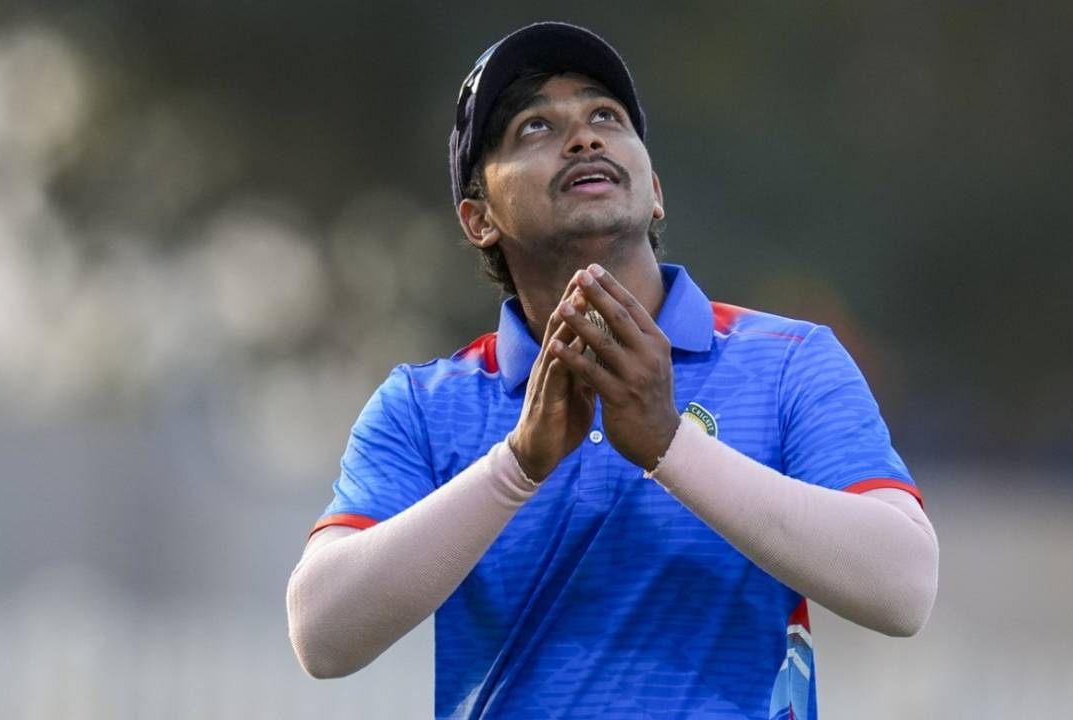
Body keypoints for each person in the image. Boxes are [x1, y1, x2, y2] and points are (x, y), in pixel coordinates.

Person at [287, 21, 939, 720]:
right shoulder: (422, 404)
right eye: (535, 128)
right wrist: (517, 466)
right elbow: (322, 635)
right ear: (479, 219)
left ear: (653, 189)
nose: (584, 139)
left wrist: (670, 445)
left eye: (606, 117)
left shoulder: (788, 360)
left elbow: (903, 588)